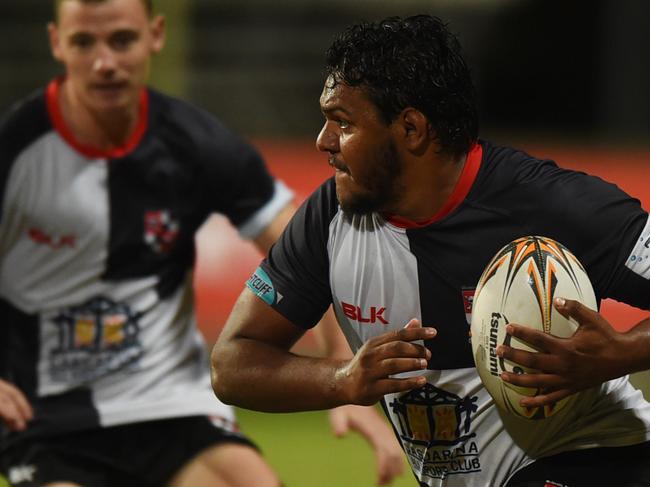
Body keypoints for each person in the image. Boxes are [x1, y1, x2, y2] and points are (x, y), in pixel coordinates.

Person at [211, 14, 650, 487]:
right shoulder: (330, 219)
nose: (324, 142)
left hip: (602, 460)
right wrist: (343, 379)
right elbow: (233, 363)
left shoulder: (554, 204)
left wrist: (620, 352)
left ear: (412, 129)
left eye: (343, 122)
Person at [0, 0, 404, 486]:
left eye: (122, 40)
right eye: (84, 42)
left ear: (155, 35)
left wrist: (341, 376)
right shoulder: (17, 150)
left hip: (170, 408)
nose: (105, 62)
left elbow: (307, 250)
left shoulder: (196, 142)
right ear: (56, 43)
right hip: (51, 420)